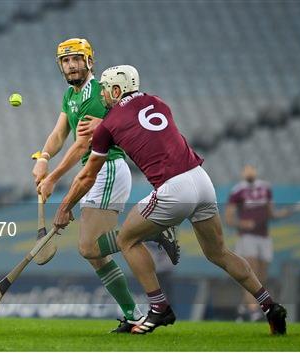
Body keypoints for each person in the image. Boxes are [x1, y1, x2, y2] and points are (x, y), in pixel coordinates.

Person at [52, 65, 287, 335]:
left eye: (105, 89)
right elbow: (138, 123)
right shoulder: (157, 102)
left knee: (127, 239)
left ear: (116, 90)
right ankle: (269, 305)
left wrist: (64, 206)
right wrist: (105, 123)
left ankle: (159, 307)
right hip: (201, 180)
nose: (102, 94)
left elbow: (86, 177)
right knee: (218, 252)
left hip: (173, 189)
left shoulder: (107, 127)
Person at [33, 38, 179, 333]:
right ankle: (132, 314)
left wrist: (52, 178)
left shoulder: (97, 95)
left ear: (90, 62)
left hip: (107, 168)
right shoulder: (70, 96)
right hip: (94, 170)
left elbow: (82, 144)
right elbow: (60, 133)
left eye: (77, 59)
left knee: (89, 247)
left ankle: (153, 231)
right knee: (94, 254)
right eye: (66, 60)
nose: (71, 65)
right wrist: (44, 156)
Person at [226, 164, 298, 322]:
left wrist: (282, 214)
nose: (249, 171)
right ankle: (253, 311)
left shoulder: (265, 188)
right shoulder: (237, 191)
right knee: (250, 272)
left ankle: (244, 308)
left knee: (262, 276)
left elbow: (271, 213)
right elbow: (229, 218)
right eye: (246, 169)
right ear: (242, 173)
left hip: (264, 237)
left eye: (251, 168)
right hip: (247, 237)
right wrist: (243, 224)